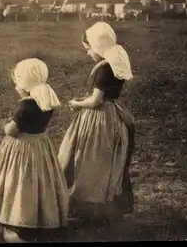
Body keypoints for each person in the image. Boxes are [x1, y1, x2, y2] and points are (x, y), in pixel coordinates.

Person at [0, 58, 69, 243]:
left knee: (20, 183)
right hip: (40, 143)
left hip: (22, 147)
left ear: (24, 83)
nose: (16, 86)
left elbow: (11, 131)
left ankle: (20, 225)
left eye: (17, 82)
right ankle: (42, 219)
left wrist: (2, 123)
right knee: (40, 182)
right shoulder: (45, 98)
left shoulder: (25, 105)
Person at [58, 21, 136, 224]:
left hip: (100, 118)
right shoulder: (115, 62)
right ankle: (104, 207)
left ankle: (89, 209)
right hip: (112, 114)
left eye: (89, 49)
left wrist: (76, 104)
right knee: (106, 161)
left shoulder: (104, 69)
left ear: (98, 47)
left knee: (89, 160)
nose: (88, 54)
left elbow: (95, 101)